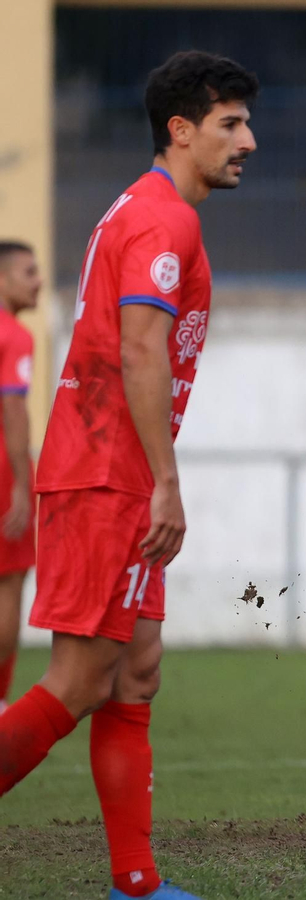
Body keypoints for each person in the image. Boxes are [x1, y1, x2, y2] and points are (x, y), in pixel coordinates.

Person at [0, 51, 257, 900]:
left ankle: (135, 884)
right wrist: (165, 480)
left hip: (114, 473)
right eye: (230, 124)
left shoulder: (154, 211)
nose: (248, 141)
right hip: (105, 476)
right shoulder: (162, 221)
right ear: (180, 130)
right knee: (77, 680)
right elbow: (141, 348)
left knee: (136, 670)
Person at [0, 241, 40, 715]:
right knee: (8, 583)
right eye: (28, 272)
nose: (38, 280)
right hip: (3, 465)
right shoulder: (14, 335)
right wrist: (17, 483)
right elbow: (12, 408)